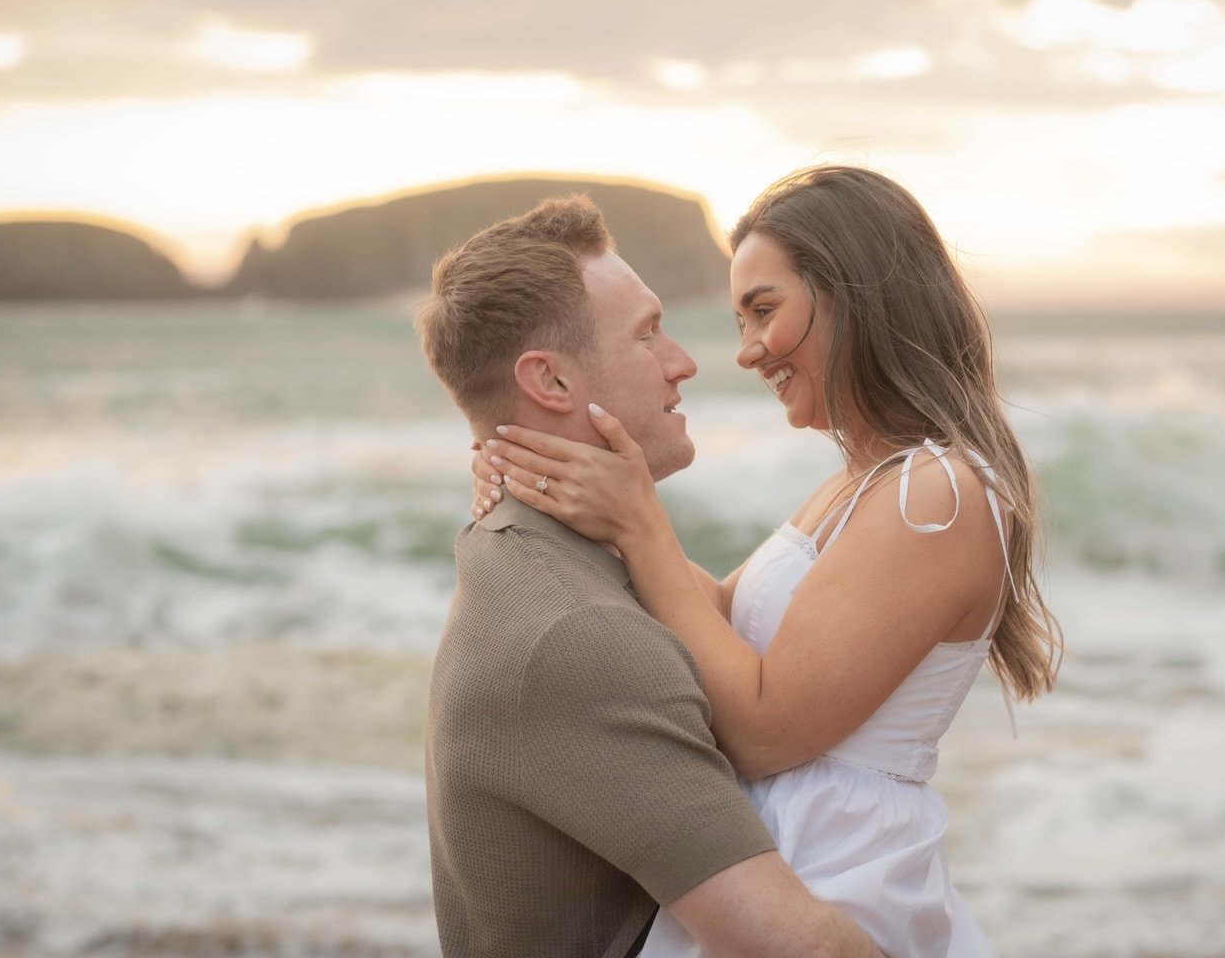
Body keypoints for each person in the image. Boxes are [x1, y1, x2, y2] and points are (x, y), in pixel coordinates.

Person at [473, 165, 1063, 957]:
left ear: (850, 295)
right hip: (790, 860)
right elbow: (730, 630)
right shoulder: (867, 484)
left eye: (763, 311)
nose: (747, 352)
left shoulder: (938, 495)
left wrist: (643, 526)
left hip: (840, 876)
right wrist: (558, 486)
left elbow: (764, 729)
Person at [414, 194, 884, 958]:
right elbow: (798, 949)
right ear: (552, 383)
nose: (685, 363)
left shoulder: (527, 558)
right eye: (647, 335)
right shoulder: (576, 632)